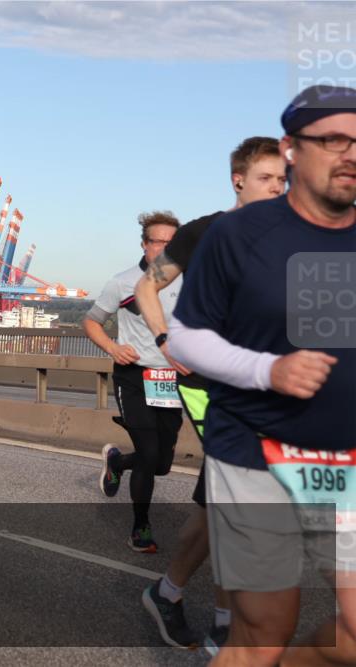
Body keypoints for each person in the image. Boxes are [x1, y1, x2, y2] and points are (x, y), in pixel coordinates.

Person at [169, 85, 356, 667]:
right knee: (264, 635)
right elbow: (185, 336)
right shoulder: (240, 234)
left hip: (346, 459)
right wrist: (267, 370)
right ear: (291, 149)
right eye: (333, 139)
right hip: (256, 452)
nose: (351, 154)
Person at [132, 137, 286, 653]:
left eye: (283, 179)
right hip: (205, 384)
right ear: (238, 180)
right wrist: (163, 340)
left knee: (215, 502)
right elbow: (146, 290)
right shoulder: (206, 231)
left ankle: (168, 592)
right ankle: (225, 624)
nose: (278, 188)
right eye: (267, 179)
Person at [84, 212, 183, 553]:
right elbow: (92, 321)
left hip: (173, 380)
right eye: (159, 242)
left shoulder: (190, 280)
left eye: (173, 244)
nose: (166, 249)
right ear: (144, 244)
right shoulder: (123, 282)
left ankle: (116, 462)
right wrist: (112, 346)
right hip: (134, 377)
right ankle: (141, 527)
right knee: (148, 451)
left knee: (161, 464)